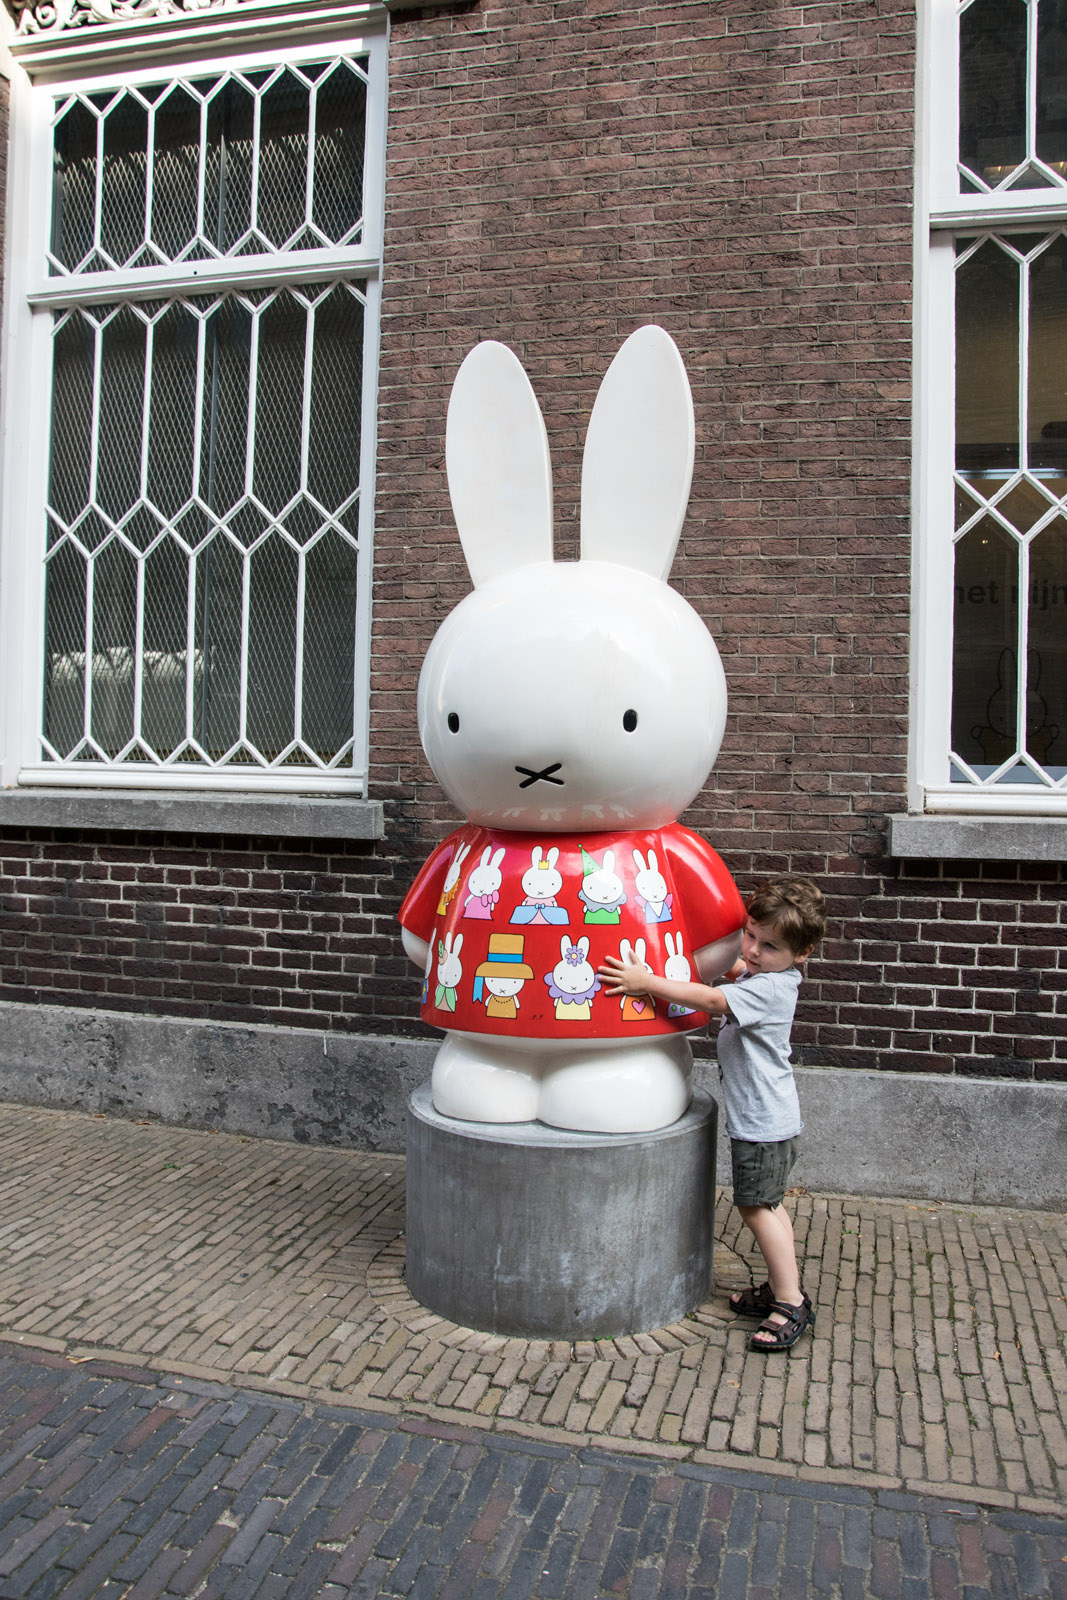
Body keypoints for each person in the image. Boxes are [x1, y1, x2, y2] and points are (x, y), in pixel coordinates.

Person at [598, 876, 826, 1353]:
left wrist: (646, 983)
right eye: (750, 935)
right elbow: (733, 971)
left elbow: (713, 1000)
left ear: (802, 954)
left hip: (764, 1124)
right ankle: (781, 1285)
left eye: (770, 946)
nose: (754, 951)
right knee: (769, 1205)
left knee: (756, 1208)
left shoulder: (770, 990)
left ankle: (790, 1302)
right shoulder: (765, 976)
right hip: (771, 1120)